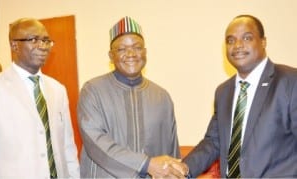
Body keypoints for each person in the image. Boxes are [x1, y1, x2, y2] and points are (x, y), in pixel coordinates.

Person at [183, 14, 297, 178]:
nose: (237, 45)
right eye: (230, 40)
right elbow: (213, 142)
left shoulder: (290, 82)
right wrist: (182, 170)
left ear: (263, 42)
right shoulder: (223, 92)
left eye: (247, 38)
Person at [77, 16, 188, 178]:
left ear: (145, 52)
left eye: (137, 47)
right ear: (111, 55)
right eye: (121, 49)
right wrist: (146, 164)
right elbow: (96, 143)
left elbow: (171, 149)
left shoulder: (161, 97)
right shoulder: (93, 91)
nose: (130, 54)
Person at [0, 18, 80, 178]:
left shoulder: (58, 90)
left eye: (46, 40)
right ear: (15, 45)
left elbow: (68, 145)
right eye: (34, 39)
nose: (42, 46)